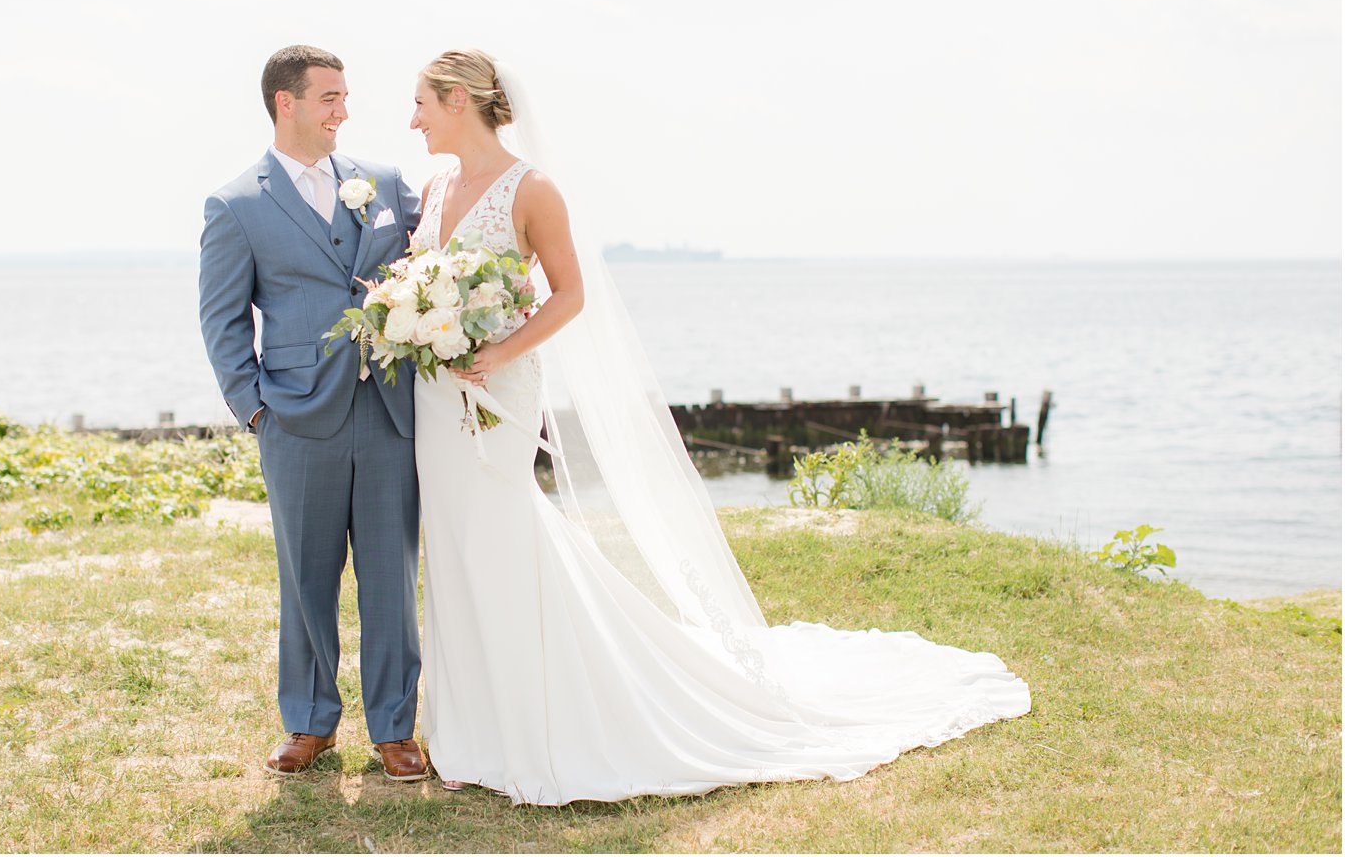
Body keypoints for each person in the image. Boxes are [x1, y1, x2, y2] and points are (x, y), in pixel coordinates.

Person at [408, 48, 1032, 805]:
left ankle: (538, 714)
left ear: (458, 100)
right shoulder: (435, 185)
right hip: (435, 398)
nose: (412, 120)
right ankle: (469, 722)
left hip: (498, 391)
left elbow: (570, 295)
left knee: (501, 533)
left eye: (421, 104)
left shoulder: (531, 190)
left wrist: (498, 350)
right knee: (450, 540)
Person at [199, 45, 428, 781]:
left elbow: (430, 268)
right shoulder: (236, 204)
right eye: (329, 96)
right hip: (296, 419)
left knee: (392, 575)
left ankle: (395, 728)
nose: (344, 110)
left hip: (390, 411)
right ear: (285, 103)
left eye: (345, 95)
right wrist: (255, 410)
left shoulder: (384, 183)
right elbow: (224, 321)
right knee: (306, 577)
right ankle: (308, 722)